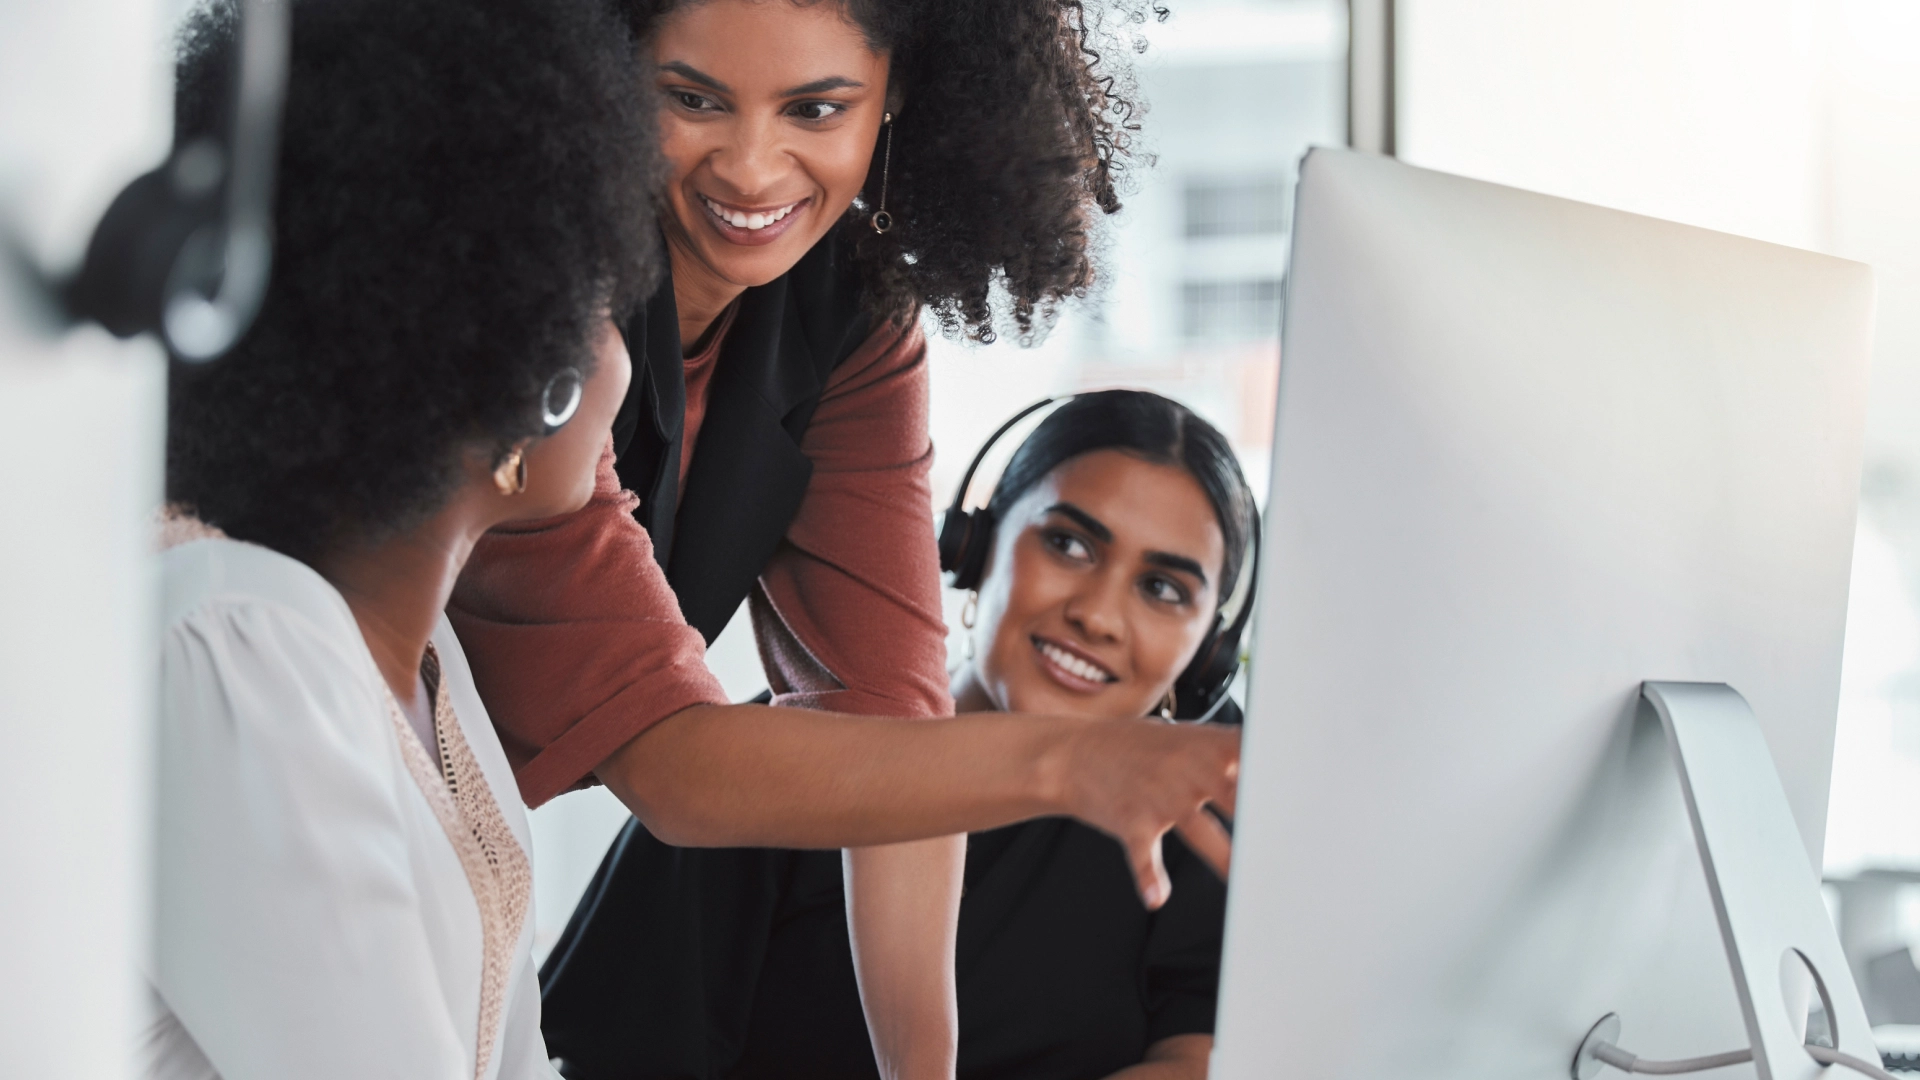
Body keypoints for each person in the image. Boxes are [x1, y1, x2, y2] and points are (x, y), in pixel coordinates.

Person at [447, 3, 1240, 1077]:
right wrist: (1072, 761)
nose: (752, 166)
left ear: (896, 97)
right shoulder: (526, 305)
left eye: (817, 108)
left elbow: (893, 721)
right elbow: (673, 763)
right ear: (599, 72)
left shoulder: (854, 314)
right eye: (691, 99)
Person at [140, 0, 658, 1076]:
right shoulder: (237, 648)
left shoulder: (423, 665)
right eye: (602, 293)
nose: (626, 344)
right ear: (532, 393)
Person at [540, 392, 1251, 1080]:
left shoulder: (1207, 793)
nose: (1098, 616)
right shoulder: (787, 761)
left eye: (1163, 589)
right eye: (1068, 544)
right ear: (976, 544)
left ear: (1210, 651)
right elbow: (611, 1056)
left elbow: (1207, 1054)